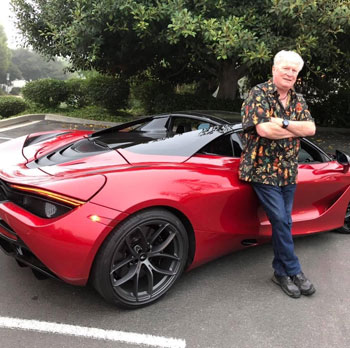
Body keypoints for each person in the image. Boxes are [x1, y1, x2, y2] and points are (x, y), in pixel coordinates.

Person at [239, 50, 316, 298]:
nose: (290, 74)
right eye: (286, 69)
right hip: (263, 170)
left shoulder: (298, 99)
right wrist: (295, 129)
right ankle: (295, 271)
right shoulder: (257, 94)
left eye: (294, 70)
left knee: (285, 222)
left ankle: (279, 273)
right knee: (281, 220)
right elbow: (263, 130)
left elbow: (311, 129)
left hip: (288, 171)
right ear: (274, 69)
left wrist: (282, 123)